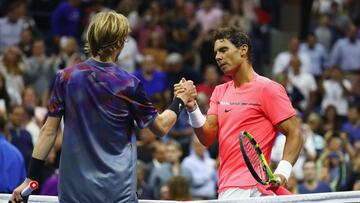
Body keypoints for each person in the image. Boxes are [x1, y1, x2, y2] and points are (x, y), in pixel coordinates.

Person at [10, 11, 196, 203]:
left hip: (75, 194)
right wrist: (180, 99)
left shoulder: (65, 77)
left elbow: (48, 132)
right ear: (118, 44)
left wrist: (29, 179)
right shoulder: (129, 83)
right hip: (118, 194)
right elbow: (161, 127)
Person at [176, 27, 303, 199]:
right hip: (227, 186)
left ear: (243, 50)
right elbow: (207, 138)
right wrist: (192, 107)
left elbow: (295, 132)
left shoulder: (268, 89)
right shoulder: (219, 91)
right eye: (216, 53)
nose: (218, 57)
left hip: (255, 188)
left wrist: (282, 172)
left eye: (223, 50)